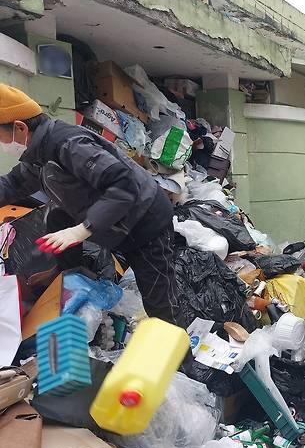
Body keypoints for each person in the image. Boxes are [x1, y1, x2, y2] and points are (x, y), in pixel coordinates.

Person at [0, 84, 176, 322]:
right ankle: (75, 276)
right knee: (55, 217)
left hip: (145, 223)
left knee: (160, 306)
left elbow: (123, 185)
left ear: (19, 128)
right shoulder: (38, 155)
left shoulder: (69, 144)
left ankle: (180, 357)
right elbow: (12, 184)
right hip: (114, 221)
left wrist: (81, 230)